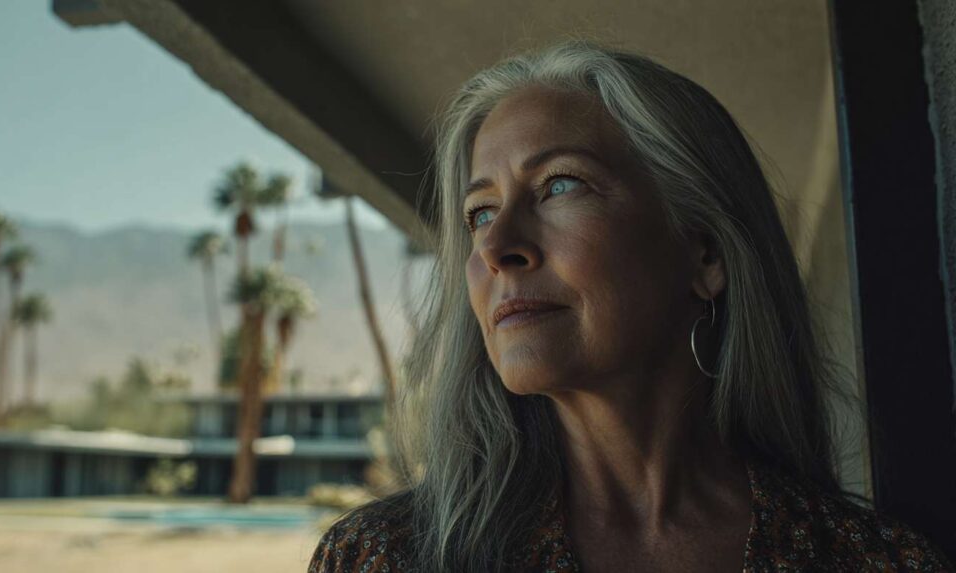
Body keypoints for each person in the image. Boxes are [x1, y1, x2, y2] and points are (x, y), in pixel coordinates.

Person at [307, 40, 953, 572]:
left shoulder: (873, 561)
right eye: (479, 213)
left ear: (703, 253)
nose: (498, 246)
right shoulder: (384, 557)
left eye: (559, 184)